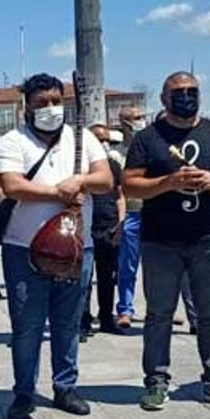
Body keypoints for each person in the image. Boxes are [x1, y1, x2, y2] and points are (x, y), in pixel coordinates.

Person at [124, 72, 210, 412]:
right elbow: (130, 184)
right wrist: (168, 182)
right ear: (164, 98)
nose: (186, 97)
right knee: (159, 313)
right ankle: (156, 380)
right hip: (161, 240)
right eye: (178, 92)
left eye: (192, 91)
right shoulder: (148, 138)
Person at [0, 73, 112, 419]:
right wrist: (56, 192)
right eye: (41, 103)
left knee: (67, 322)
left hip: (77, 247)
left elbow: (105, 180)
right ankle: (24, 392)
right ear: (28, 107)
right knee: (27, 326)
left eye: (55, 101)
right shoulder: (13, 140)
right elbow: (12, 185)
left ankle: (65, 387)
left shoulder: (83, 137)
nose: (50, 108)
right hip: (24, 248)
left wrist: (81, 180)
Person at [81, 122, 126, 340]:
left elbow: (120, 196)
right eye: (98, 139)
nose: (103, 143)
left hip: (109, 228)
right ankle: (83, 321)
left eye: (106, 139)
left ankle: (106, 318)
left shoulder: (113, 166)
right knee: (84, 279)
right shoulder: (82, 167)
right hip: (86, 229)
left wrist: (121, 224)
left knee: (107, 278)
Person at [114, 106, 147, 329]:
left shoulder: (151, 148)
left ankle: (161, 308)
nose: (141, 121)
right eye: (136, 118)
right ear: (125, 123)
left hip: (154, 212)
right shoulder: (116, 155)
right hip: (131, 213)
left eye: (143, 117)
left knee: (160, 267)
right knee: (127, 266)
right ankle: (125, 309)